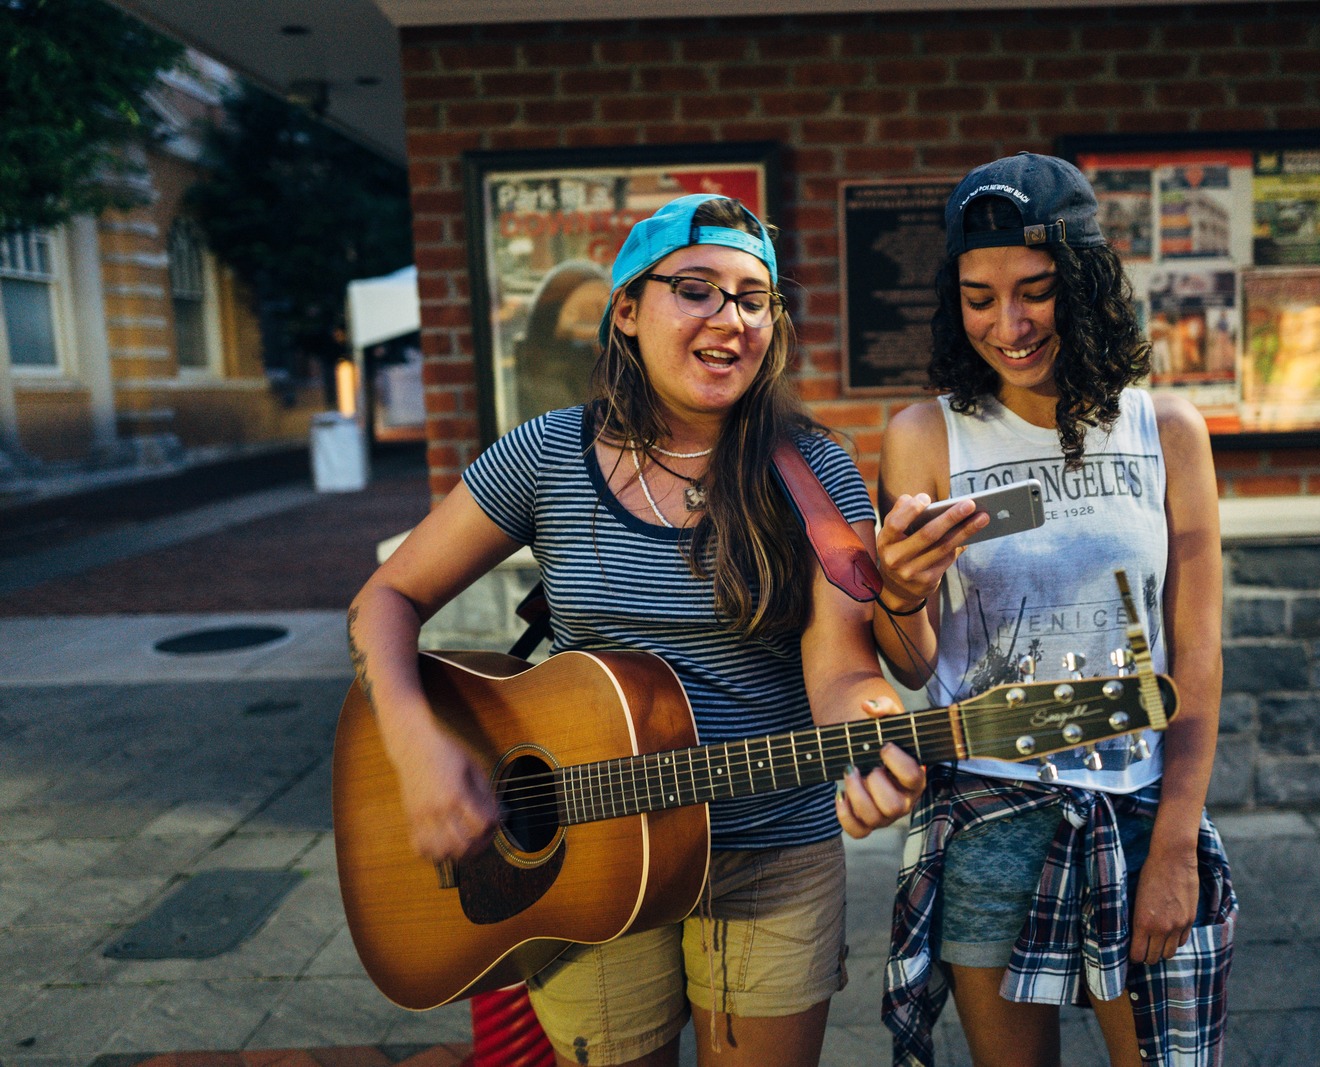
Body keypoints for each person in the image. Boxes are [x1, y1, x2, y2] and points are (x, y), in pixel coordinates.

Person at [346, 193, 925, 1067]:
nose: (728, 318)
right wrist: (415, 741)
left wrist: (874, 729)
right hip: (586, 856)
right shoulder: (548, 453)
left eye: (752, 297)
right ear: (626, 310)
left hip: (767, 852)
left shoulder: (812, 471)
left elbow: (841, 668)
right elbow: (385, 598)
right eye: (695, 289)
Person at [873, 154, 1236, 1067]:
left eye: (1036, 290)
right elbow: (914, 662)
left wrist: (1178, 845)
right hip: (991, 812)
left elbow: (1196, 654)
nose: (1011, 323)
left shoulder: (1169, 433)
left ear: (1086, 283)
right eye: (979, 296)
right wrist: (902, 591)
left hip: (1138, 807)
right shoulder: (925, 435)